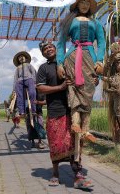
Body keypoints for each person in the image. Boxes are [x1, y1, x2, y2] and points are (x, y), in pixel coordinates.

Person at [37, 41, 93, 189]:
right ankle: (55, 174)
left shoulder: (69, 62)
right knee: (56, 145)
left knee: (74, 144)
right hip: (55, 111)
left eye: (50, 47)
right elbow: (41, 88)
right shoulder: (43, 68)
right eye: (45, 49)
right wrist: (60, 87)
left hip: (73, 110)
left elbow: (84, 75)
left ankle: (77, 176)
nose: (48, 49)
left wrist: (93, 80)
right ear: (43, 53)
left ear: (56, 49)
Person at [56, 0, 106, 162]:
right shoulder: (70, 22)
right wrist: (59, 63)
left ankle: (86, 130)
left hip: (90, 58)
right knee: (74, 90)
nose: (84, 5)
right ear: (77, 5)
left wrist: (100, 60)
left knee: (88, 92)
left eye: (87, 3)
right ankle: (75, 125)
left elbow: (102, 42)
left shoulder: (96, 23)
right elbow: (61, 42)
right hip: (72, 58)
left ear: (90, 6)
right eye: (82, 3)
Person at [13, 51, 37, 117]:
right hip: (20, 81)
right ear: (18, 60)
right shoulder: (18, 68)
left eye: (22, 57)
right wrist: (14, 89)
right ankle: (21, 111)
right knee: (19, 95)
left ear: (25, 58)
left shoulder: (29, 65)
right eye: (19, 58)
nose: (21, 58)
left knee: (32, 93)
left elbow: (34, 73)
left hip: (29, 79)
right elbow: (15, 78)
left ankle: (33, 110)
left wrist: (34, 82)